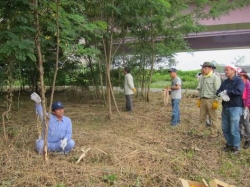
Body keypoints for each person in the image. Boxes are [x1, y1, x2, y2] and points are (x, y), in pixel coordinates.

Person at [216, 64, 244, 153]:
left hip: (235, 107)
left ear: (233, 70)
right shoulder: (225, 82)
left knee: (234, 129)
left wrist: (227, 92)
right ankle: (229, 144)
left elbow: (239, 91)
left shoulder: (238, 81)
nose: (225, 71)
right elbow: (218, 91)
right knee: (225, 128)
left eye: (227, 70)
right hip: (226, 107)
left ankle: (236, 147)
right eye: (225, 70)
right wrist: (221, 93)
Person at [196, 62, 221, 138]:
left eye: (205, 68)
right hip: (203, 100)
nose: (203, 69)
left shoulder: (215, 78)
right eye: (203, 68)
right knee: (202, 118)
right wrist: (199, 98)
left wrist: (216, 100)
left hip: (211, 100)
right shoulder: (202, 78)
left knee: (213, 118)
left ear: (210, 69)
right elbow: (200, 89)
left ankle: (214, 134)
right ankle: (200, 132)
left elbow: (218, 90)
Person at [238, 69, 250, 149]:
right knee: (238, 121)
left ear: (244, 76)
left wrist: (247, 106)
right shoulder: (238, 83)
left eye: (240, 76)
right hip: (238, 105)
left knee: (245, 122)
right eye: (238, 76)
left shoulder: (248, 83)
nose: (239, 77)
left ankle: (248, 139)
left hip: (245, 105)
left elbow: (249, 95)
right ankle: (240, 135)